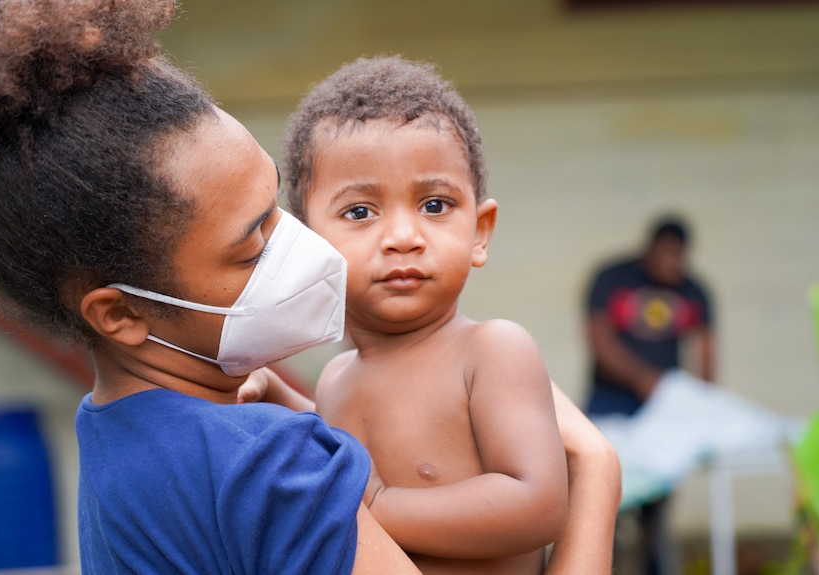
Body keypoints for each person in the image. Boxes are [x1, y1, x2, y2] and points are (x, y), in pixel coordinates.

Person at [0, 2, 423, 573]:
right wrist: (585, 466)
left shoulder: (109, 430)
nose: (297, 246)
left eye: (275, 207)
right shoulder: (269, 462)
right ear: (120, 313)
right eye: (251, 246)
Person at [271, 54, 619, 574]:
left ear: (480, 231)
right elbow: (338, 465)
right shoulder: (338, 378)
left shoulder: (492, 351)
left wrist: (383, 505)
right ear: (306, 245)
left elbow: (537, 505)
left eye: (434, 205)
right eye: (360, 211)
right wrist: (278, 396)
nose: (404, 238)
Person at [584, 215, 715, 575]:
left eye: (679, 257)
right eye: (666, 254)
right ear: (649, 248)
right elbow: (599, 340)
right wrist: (645, 379)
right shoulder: (612, 278)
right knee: (599, 506)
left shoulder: (694, 290)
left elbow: (706, 353)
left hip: (661, 418)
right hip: (610, 408)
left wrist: (698, 410)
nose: (672, 265)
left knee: (656, 515)